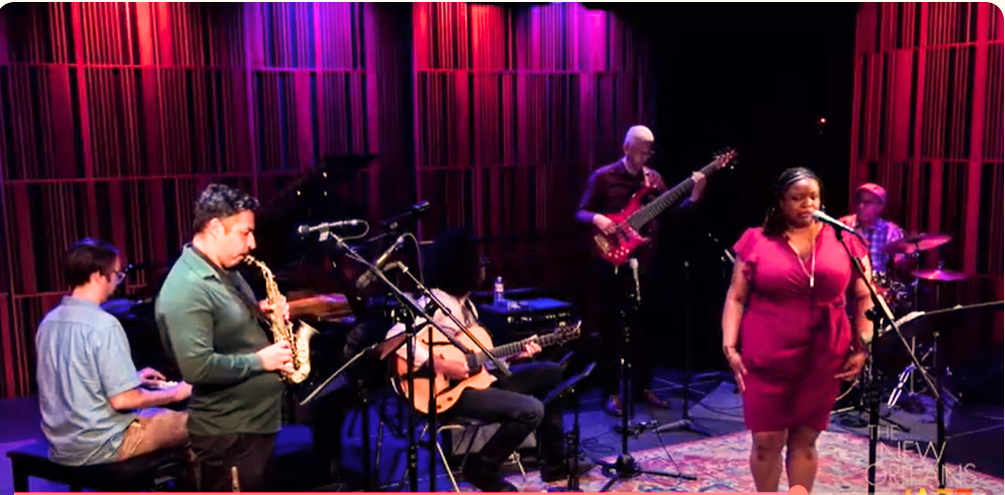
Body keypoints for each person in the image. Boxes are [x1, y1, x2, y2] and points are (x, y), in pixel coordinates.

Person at [385, 227, 589, 492]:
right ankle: (482, 467)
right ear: (462, 267)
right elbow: (395, 337)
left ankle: (554, 462)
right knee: (531, 410)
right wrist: (441, 364)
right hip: (446, 394)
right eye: (479, 261)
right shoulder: (435, 303)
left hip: (475, 382)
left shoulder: (467, 306)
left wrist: (515, 355)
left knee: (550, 373)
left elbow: (475, 361)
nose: (483, 267)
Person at [721, 168, 873, 492]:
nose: (808, 204)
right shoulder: (757, 239)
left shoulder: (845, 239)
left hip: (823, 354)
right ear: (781, 202)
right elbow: (736, 297)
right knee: (766, 440)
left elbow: (865, 297)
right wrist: (730, 347)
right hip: (766, 355)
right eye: (797, 198)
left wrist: (863, 347)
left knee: (805, 438)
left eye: (814, 197)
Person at [156, 183, 293, 492]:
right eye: (245, 233)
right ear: (216, 228)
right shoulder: (187, 287)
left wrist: (262, 312)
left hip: (252, 427)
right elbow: (198, 369)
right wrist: (261, 361)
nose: (252, 243)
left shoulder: (224, 269)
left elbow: (225, 322)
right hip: (229, 437)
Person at [575, 124, 706, 417]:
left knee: (646, 328)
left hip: (645, 262)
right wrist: (599, 219)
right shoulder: (604, 177)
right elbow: (580, 212)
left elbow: (671, 217)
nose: (646, 156)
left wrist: (694, 197)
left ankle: (642, 387)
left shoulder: (654, 180)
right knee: (611, 329)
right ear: (626, 148)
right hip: (611, 261)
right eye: (641, 151)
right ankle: (611, 392)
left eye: (649, 151)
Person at [36, 238, 191, 466]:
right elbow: (123, 400)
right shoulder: (104, 324)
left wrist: (130, 378)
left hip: (61, 443)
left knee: (160, 415)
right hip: (103, 444)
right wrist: (176, 392)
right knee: (201, 422)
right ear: (99, 276)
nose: (117, 282)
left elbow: (71, 378)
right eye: (117, 274)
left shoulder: (49, 321)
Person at [838, 183, 906, 276]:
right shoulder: (844, 224)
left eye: (867, 202)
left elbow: (900, 263)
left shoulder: (890, 231)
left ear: (880, 207)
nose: (861, 206)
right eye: (859, 201)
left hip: (877, 281)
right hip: (848, 278)